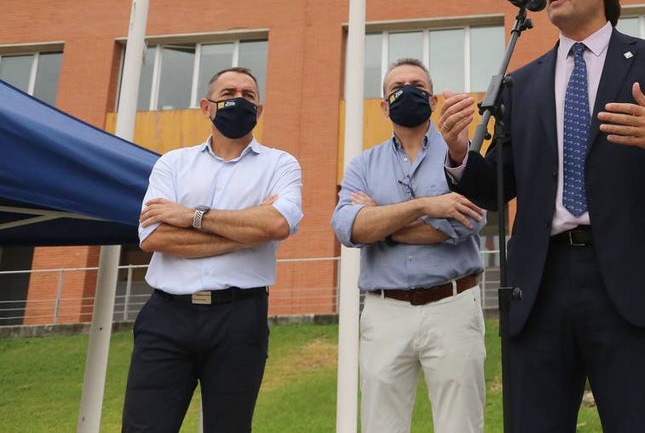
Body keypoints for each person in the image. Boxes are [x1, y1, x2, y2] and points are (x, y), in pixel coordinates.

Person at [439, 0, 645, 432]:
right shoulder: (520, 82)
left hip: (633, 281)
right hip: (540, 283)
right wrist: (460, 153)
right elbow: (493, 188)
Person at [121, 67, 303, 433]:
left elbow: (277, 225)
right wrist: (246, 230)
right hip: (166, 317)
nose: (239, 99)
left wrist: (191, 216)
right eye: (229, 92)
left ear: (260, 109)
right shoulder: (172, 163)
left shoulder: (280, 164)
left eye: (248, 95)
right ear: (207, 106)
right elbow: (154, 237)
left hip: (239, 318)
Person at [331, 58, 488, 433]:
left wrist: (382, 222)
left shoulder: (461, 155)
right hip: (386, 311)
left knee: (460, 424)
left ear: (432, 99)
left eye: (417, 85)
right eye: (397, 86)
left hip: (453, 305)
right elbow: (346, 227)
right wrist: (425, 206)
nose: (408, 90)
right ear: (384, 105)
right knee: (381, 425)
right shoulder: (363, 165)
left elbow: (467, 221)